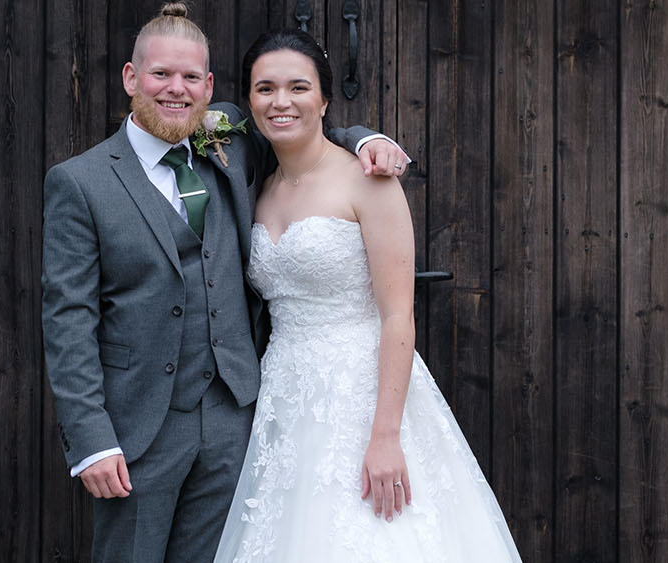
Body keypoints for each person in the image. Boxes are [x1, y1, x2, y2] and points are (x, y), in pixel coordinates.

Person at [41, 5, 408, 562]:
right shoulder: (80, 182)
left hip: (237, 418)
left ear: (209, 86)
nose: (176, 89)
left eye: (191, 77)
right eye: (161, 74)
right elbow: (68, 317)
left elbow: (304, 127)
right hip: (139, 427)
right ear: (131, 77)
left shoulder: (230, 146)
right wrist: (91, 439)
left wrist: (365, 139)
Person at [212, 30, 522, 562]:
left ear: (324, 99)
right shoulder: (256, 181)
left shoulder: (369, 179)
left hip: (361, 394)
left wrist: (385, 436)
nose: (280, 101)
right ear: (249, 101)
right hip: (285, 397)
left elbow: (399, 315)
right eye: (265, 88)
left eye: (298, 87)